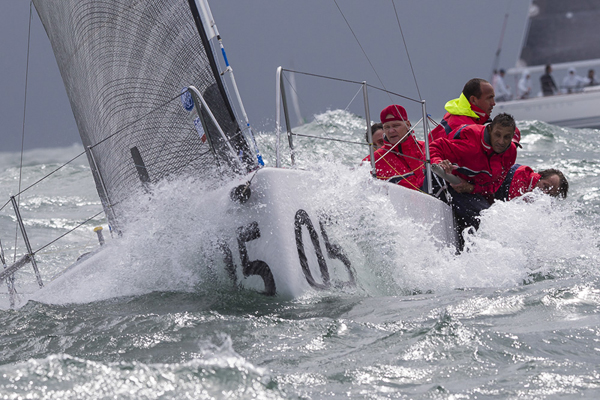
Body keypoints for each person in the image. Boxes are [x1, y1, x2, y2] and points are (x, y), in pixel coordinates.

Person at [430, 113, 517, 239]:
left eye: (507, 137)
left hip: (469, 188)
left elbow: (495, 185)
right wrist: (440, 162)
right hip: (445, 180)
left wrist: (470, 188)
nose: (501, 141)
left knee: (491, 218)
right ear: (490, 129)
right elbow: (435, 146)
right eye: (497, 135)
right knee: (477, 217)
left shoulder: (511, 152)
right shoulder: (471, 144)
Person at [363, 105, 425, 191]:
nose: (391, 131)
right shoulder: (372, 161)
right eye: (387, 127)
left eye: (396, 125)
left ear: (407, 124)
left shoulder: (427, 148)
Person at [429, 78, 495, 141]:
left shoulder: (456, 113)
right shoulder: (464, 127)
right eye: (489, 98)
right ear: (473, 100)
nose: (493, 103)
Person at [495, 165, 569, 201]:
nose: (545, 193)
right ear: (540, 177)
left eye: (550, 194)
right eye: (545, 186)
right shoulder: (519, 178)